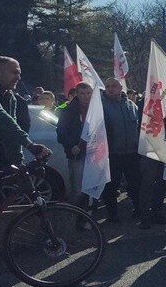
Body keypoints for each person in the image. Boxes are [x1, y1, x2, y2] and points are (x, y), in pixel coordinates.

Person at [0, 56, 50, 170]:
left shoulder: (10, 96)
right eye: (14, 73)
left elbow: (11, 128)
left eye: (19, 73)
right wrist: (29, 145)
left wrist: (19, 163)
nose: (19, 77)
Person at [100, 76, 142, 222]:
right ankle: (112, 213)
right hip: (112, 153)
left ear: (120, 88)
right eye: (108, 86)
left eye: (114, 86)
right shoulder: (100, 106)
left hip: (131, 152)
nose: (110, 89)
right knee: (111, 186)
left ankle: (139, 209)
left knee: (136, 183)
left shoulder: (131, 105)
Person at [57, 81, 92, 205]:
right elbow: (61, 132)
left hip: (95, 153)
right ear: (77, 94)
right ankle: (75, 218)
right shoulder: (68, 110)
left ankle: (89, 217)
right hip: (77, 154)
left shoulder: (97, 109)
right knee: (77, 190)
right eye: (82, 93)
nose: (85, 96)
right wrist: (72, 145)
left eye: (88, 93)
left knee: (93, 188)